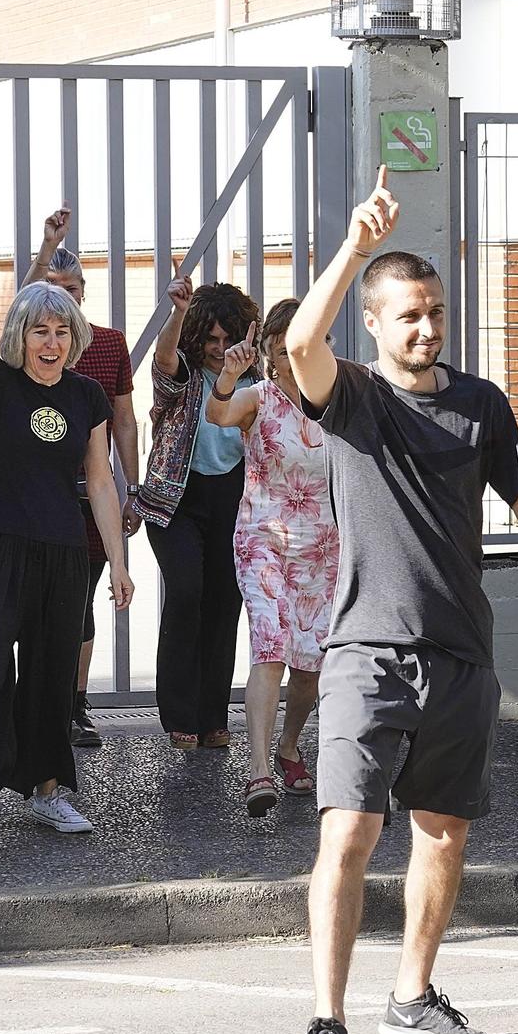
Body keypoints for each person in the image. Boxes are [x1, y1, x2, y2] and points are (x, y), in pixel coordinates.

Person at [290, 169, 518, 1034]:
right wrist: (354, 246)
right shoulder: (349, 396)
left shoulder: (481, 404)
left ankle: (413, 995)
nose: (427, 328)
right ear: (377, 325)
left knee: (442, 832)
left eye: (435, 312)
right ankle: (325, 1021)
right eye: (409, 316)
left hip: (461, 653)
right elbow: (303, 338)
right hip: (366, 652)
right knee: (347, 833)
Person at [0, 229, 134, 863]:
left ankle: (48, 789)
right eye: (40, 330)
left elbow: (99, 479)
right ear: (20, 336)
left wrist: (117, 563)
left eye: (62, 331)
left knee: (50, 679)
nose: (52, 342)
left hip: (63, 552)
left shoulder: (86, 395)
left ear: (75, 337)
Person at [206, 299, 337, 816]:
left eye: (306, 347)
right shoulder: (256, 398)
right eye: (285, 351)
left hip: (324, 546)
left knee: (311, 665)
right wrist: (227, 377)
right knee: (270, 647)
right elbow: (217, 415)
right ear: (270, 355)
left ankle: (288, 746)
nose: (296, 359)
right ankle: (259, 769)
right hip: (263, 537)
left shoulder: (337, 398)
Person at [23, 206, 142, 747]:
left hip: (90, 496)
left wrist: (132, 488)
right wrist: (45, 250)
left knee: (81, 599)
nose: (62, 298)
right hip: (36, 496)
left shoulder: (110, 344)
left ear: (84, 294)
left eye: (71, 289)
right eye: (52, 287)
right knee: (34, 603)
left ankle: (73, 703)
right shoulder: (29, 349)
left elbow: (123, 419)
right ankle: (32, 703)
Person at [135, 277, 258, 749]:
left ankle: (212, 717)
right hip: (176, 502)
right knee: (187, 592)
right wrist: (178, 312)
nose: (220, 349)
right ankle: (179, 716)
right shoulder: (182, 376)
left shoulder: (253, 381)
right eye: (211, 339)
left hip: (233, 499)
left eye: (228, 340)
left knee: (225, 603)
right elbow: (164, 359)